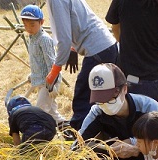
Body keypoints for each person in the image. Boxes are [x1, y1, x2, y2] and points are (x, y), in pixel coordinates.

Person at [74, 63, 158, 160]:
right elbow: (79, 144)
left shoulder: (148, 108)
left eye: (111, 97)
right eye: (100, 99)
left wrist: (136, 148)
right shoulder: (98, 111)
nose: (105, 103)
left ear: (125, 89)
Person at [45, 0, 118, 130]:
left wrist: (56, 69)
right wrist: (73, 48)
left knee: (83, 98)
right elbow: (77, 20)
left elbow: (64, 39)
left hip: (98, 50)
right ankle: (101, 133)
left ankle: (80, 138)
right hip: (107, 46)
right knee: (104, 96)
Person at [105, 0, 158, 110]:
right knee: (154, 124)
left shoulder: (122, 2)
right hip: (156, 79)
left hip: (127, 78)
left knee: (127, 125)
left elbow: (115, 29)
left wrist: (127, 44)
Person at [20, 4, 67, 126]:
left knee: (40, 111)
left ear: (41, 22)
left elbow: (52, 63)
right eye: (25, 25)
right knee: (52, 113)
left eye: (32, 25)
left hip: (48, 83)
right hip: (40, 81)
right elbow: (37, 60)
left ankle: (40, 137)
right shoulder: (32, 38)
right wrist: (33, 75)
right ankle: (68, 132)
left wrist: (52, 85)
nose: (29, 28)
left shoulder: (44, 39)